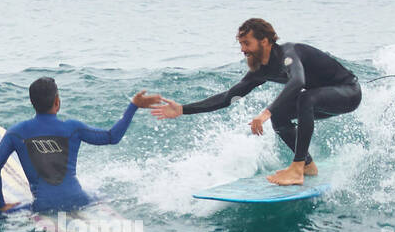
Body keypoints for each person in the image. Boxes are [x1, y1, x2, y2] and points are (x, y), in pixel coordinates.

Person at [150, 18, 361, 185]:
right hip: (321, 100)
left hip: (348, 92)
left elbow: (298, 81)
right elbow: (228, 97)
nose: (243, 49)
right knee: (282, 114)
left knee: (303, 98)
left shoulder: (288, 54)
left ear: (265, 41)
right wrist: (183, 109)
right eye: (241, 44)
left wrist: (265, 113)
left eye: (247, 43)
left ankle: (296, 169)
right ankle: (306, 164)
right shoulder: (260, 71)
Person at [0, 77, 159, 213]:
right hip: (79, 201)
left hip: (43, 206)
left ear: (32, 103)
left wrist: (0, 206)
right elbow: (111, 137)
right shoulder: (73, 128)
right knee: (102, 196)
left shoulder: (16, 133)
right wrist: (133, 106)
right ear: (57, 102)